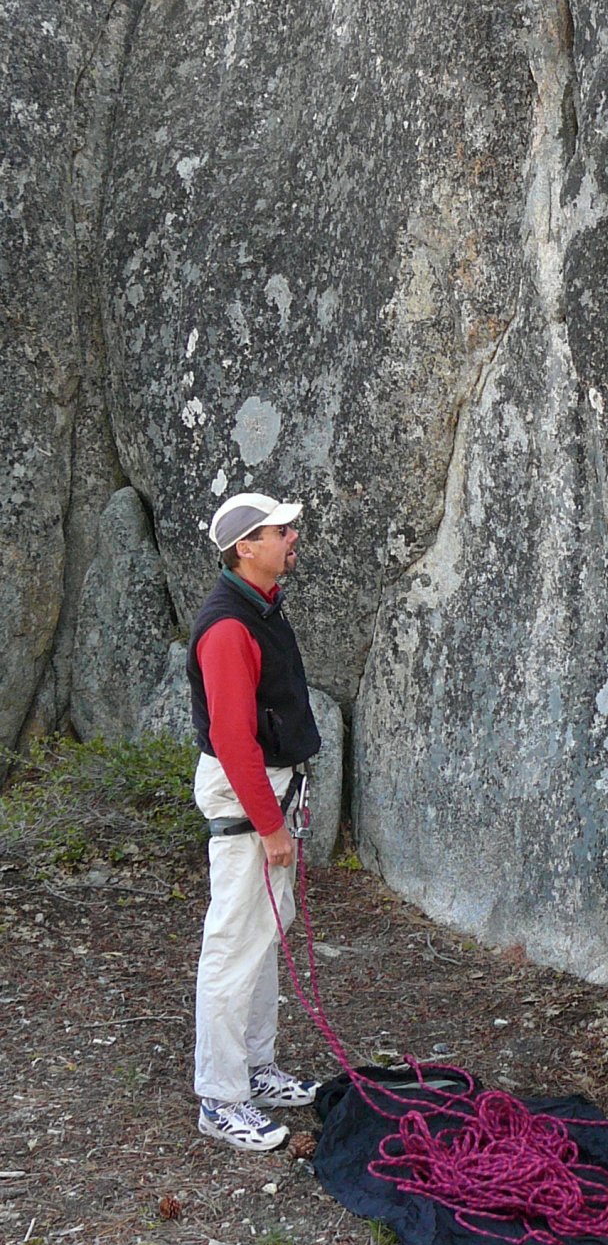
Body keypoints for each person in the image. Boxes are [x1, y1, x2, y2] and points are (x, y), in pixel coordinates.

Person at [187, 491, 323, 1152]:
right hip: (249, 801)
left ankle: (257, 1066)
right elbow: (233, 739)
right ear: (247, 546)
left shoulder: (260, 608)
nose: (293, 535)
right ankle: (220, 1095)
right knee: (235, 942)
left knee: (266, 930)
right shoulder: (228, 628)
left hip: (267, 793)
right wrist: (271, 826)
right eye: (281, 529)